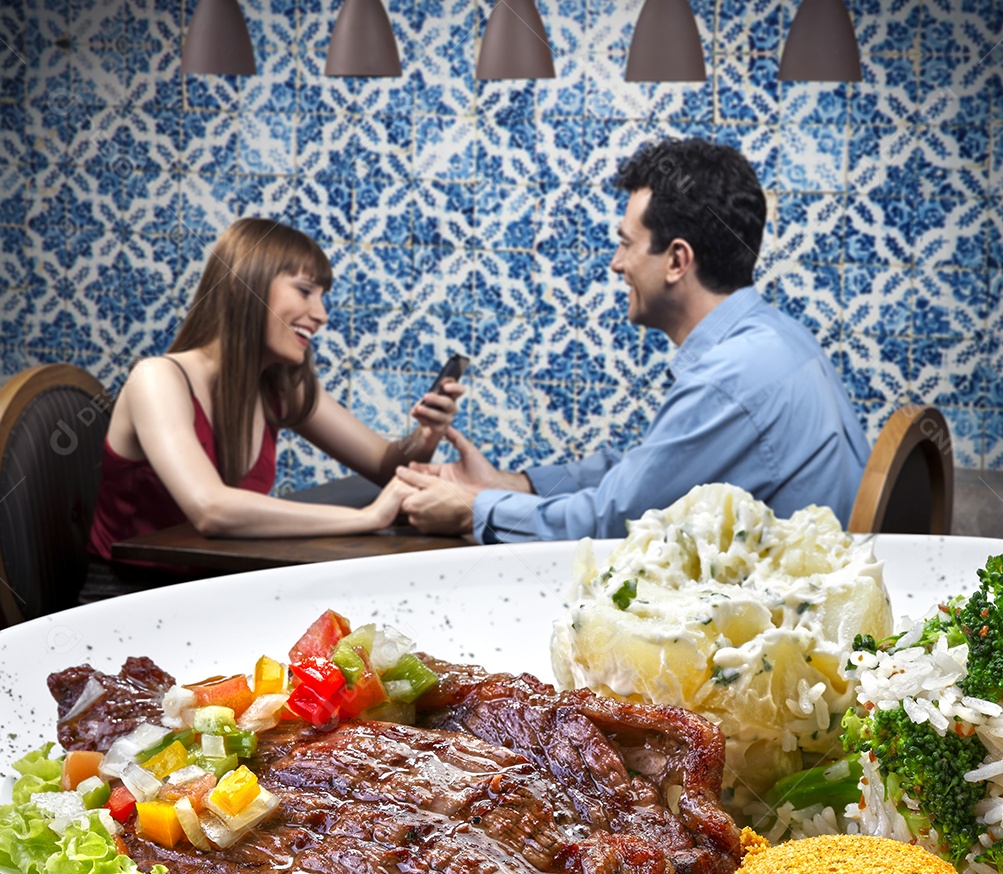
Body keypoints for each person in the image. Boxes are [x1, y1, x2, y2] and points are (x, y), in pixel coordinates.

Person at [396, 138, 870, 542]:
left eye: (626, 243)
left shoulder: (731, 378)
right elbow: (652, 471)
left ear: (677, 261)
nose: (616, 264)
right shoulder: (777, 339)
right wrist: (513, 484)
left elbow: (616, 522)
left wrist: (473, 509)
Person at [87, 217, 463, 573]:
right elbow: (210, 509)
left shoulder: (279, 387)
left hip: (216, 585)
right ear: (241, 284)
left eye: (323, 296)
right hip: (131, 594)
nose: (321, 315)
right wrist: (367, 518)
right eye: (305, 291)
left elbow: (384, 465)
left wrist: (425, 435)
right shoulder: (157, 378)